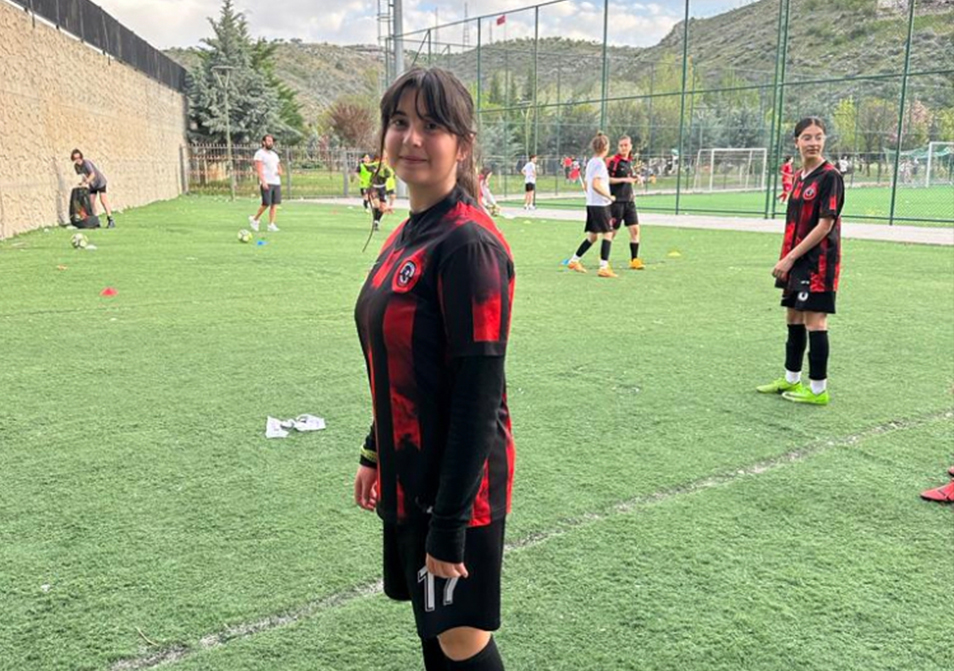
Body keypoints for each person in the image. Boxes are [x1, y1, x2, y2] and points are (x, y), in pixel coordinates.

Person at [353, 66, 514, 671]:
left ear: (462, 145)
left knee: (459, 639)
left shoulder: (469, 245)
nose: (412, 138)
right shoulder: (406, 234)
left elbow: (478, 398)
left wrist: (450, 524)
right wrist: (376, 450)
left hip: (458, 487)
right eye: (400, 122)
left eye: (432, 125)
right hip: (410, 470)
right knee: (434, 628)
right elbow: (399, 364)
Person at [757, 117, 844, 405]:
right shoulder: (799, 177)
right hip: (795, 260)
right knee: (793, 317)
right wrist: (789, 258)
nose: (813, 143)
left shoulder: (830, 177)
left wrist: (790, 258)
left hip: (818, 263)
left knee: (814, 320)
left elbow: (825, 225)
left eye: (818, 137)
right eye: (807, 137)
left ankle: (818, 390)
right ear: (796, 142)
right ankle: (791, 378)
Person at [566, 132, 617, 278]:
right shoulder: (599, 164)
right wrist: (609, 196)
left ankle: (574, 260)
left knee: (593, 237)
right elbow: (595, 184)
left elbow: (587, 184)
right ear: (605, 147)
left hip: (592, 204)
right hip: (600, 205)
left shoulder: (591, 162)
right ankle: (604, 267)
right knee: (608, 233)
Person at [606, 135, 645, 270]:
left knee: (635, 230)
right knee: (612, 233)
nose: (623, 148)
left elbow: (629, 177)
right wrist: (624, 180)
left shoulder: (629, 162)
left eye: (626, 145)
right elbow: (607, 179)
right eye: (621, 145)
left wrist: (637, 177)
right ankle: (604, 259)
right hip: (616, 202)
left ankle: (634, 260)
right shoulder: (614, 161)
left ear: (630, 146)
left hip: (629, 202)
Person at [71, 149, 115, 228]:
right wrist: (82, 183)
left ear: (81, 157)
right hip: (92, 185)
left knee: (103, 200)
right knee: (91, 202)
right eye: (75, 158)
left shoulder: (86, 163)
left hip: (100, 182)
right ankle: (96, 220)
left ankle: (110, 219)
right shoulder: (76, 167)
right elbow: (83, 176)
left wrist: (86, 182)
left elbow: (92, 174)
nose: (77, 160)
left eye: (79, 158)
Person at [249, 134, 282, 232]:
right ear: (263, 142)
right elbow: (258, 169)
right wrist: (263, 181)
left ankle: (271, 224)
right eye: (268, 141)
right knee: (266, 203)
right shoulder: (260, 154)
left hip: (276, 182)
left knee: (274, 204)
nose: (270, 143)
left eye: (271, 141)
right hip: (267, 182)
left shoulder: (274, 155)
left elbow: (279, 167)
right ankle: (255, 219)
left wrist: (280, 171)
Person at [368, 155, 394, 231]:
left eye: (384, 159)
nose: (383, 161)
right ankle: (375, 220)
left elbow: (388, 175)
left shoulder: (387, 169)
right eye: (381, 159)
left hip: (382, 188)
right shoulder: (373, 166)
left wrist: (384, 169)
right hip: (374, 187)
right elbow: (368, 167)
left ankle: (376, 222)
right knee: (377, 205)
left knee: (382, 208)